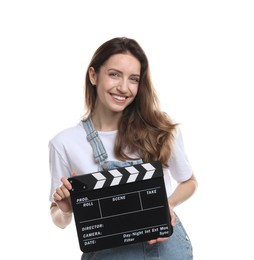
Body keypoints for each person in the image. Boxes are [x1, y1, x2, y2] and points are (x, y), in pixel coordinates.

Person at [49, 37, 198, 260]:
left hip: (168, 250)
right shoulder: (64, 143)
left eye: (134, 79)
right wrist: (66, 209)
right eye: (114, 74)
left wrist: (166, 205)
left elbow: (189, 182)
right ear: (93, 75)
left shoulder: (159, 128)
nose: (124, 88)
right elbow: (58, 219)